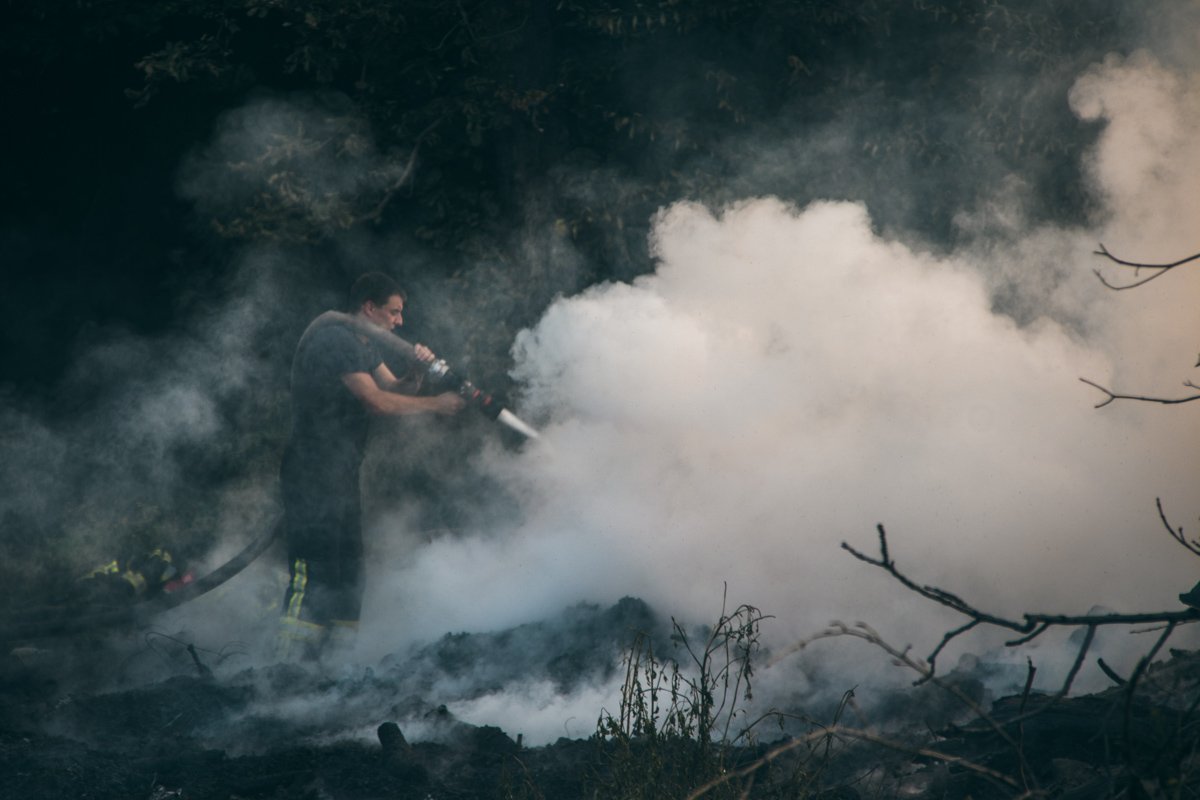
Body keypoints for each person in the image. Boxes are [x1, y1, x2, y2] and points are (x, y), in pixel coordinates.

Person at [277, 272, 465, 661]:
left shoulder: (363, 344)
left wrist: (416, 371)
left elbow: (392, 388)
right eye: (394, 312)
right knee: (315, 570)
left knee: (349, 572)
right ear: (369, 308)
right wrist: (436, 405)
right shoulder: (334, 339)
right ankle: (288, 669)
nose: (399, 321)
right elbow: (375, 401)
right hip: (312, 470)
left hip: (341, 471)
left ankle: (335, 666)